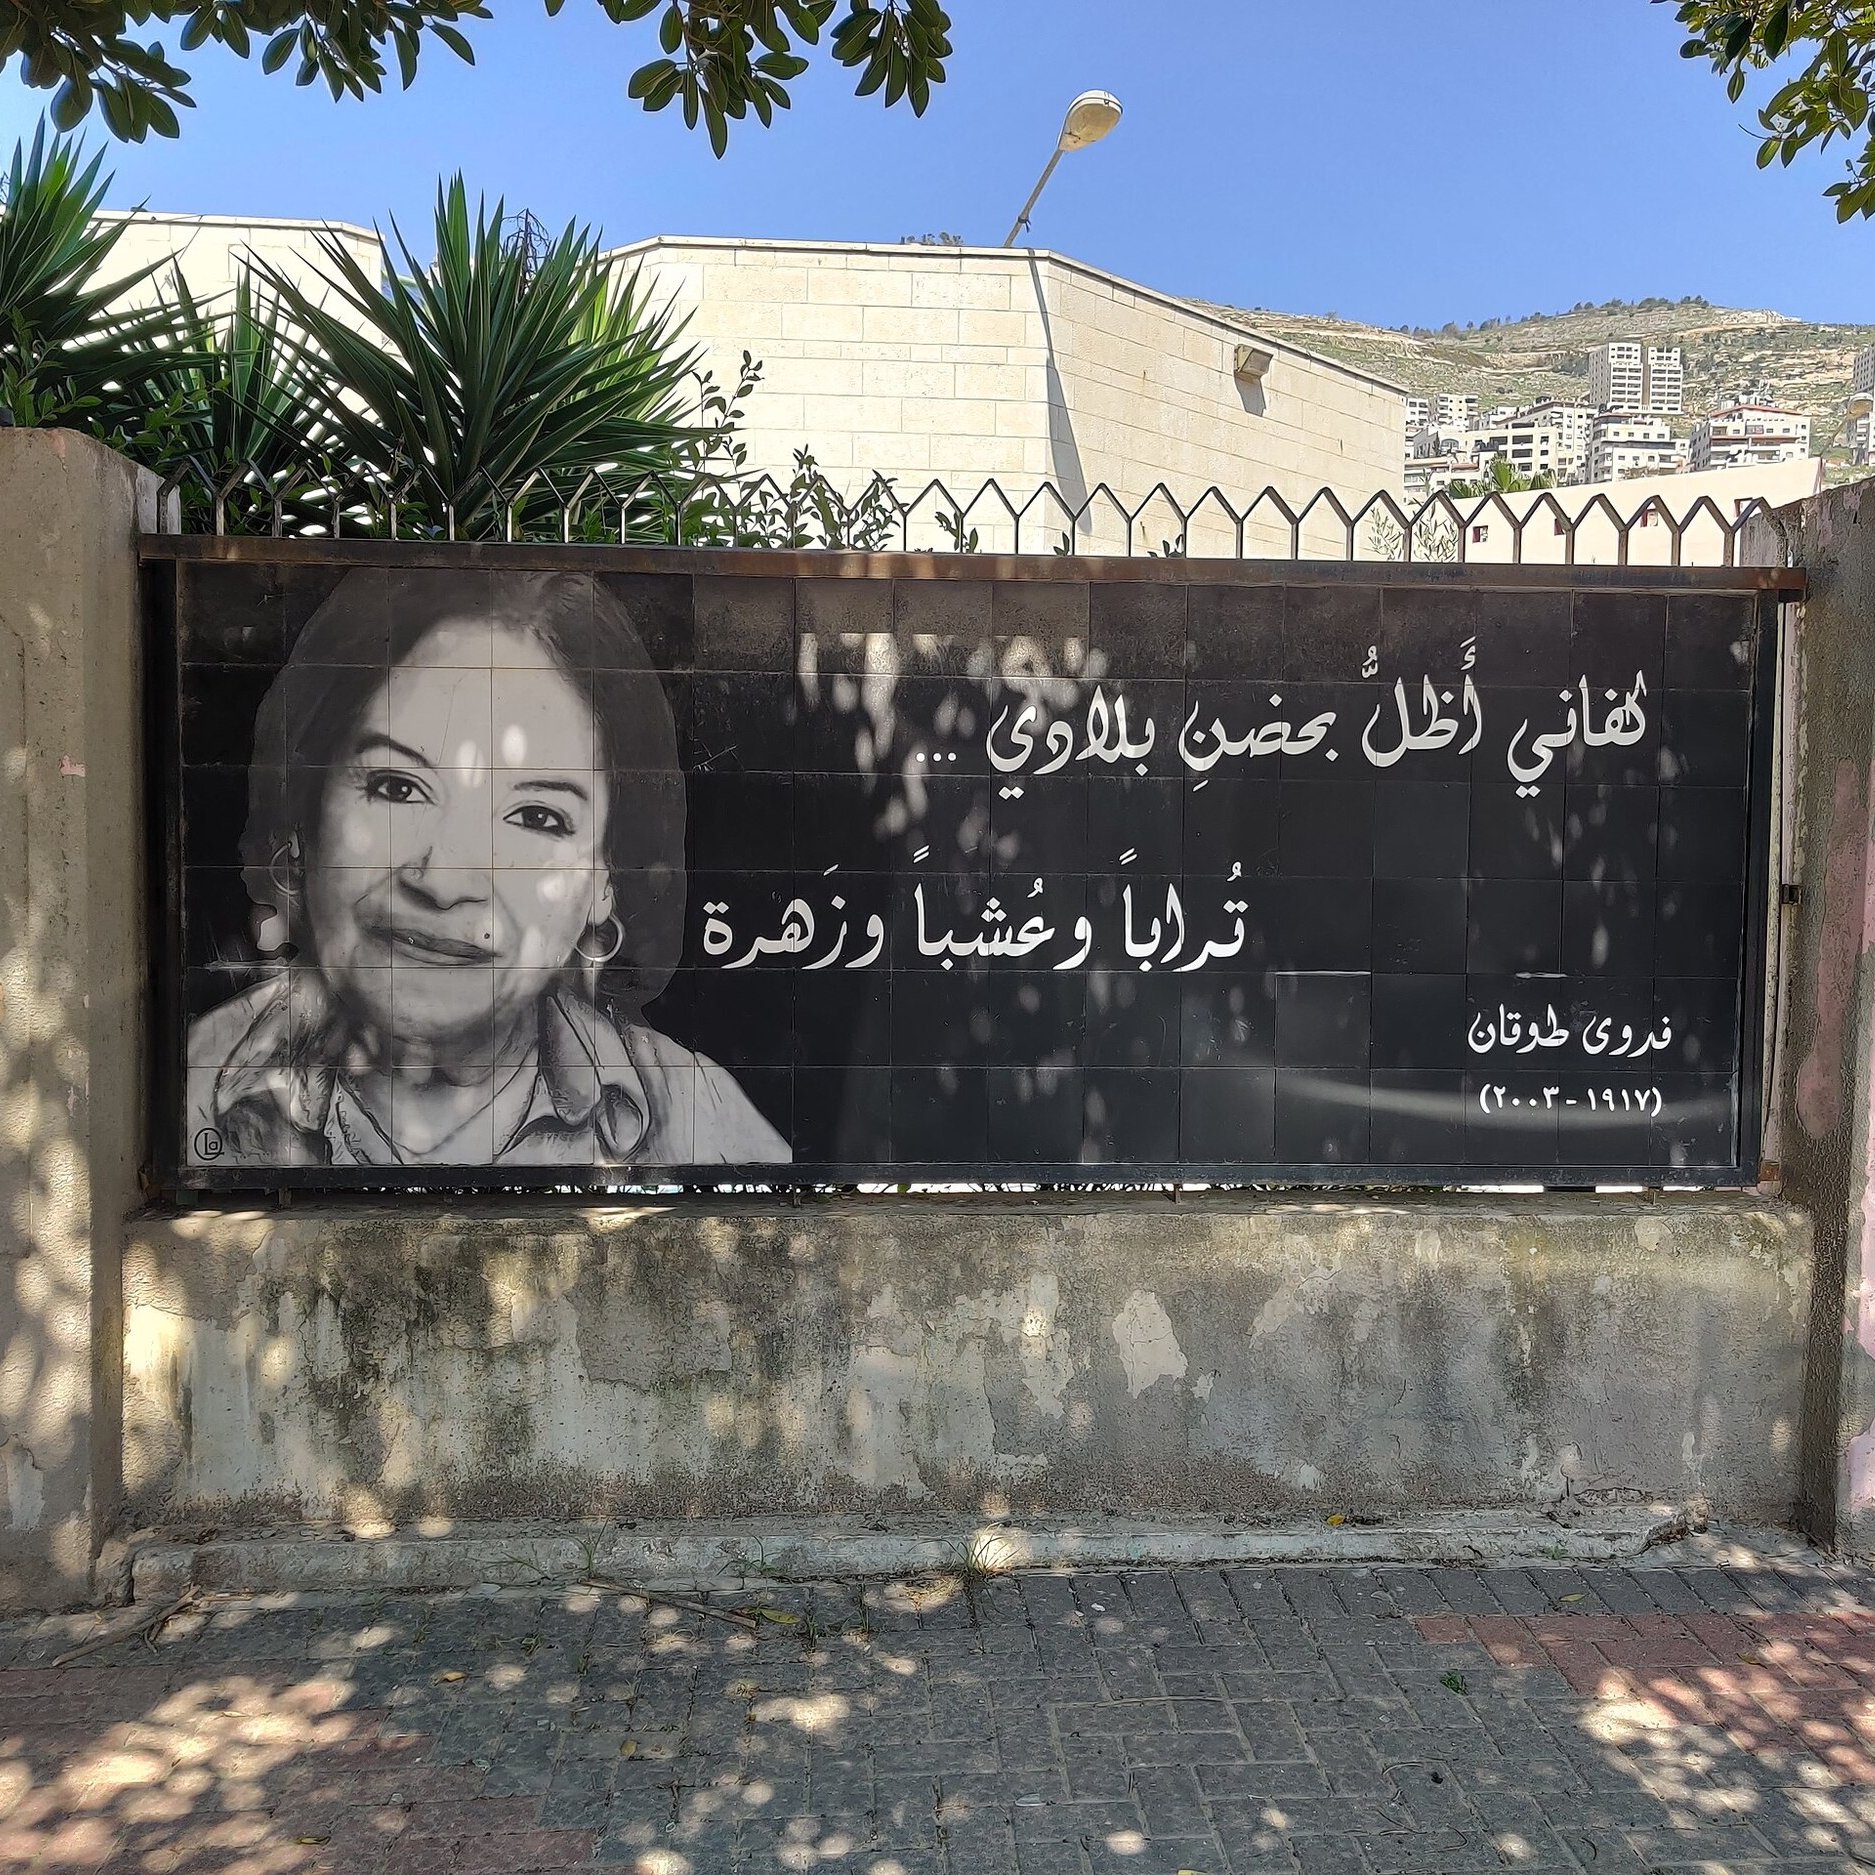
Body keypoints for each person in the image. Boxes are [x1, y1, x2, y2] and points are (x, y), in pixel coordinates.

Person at [185, 568, 789, 1170]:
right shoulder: (192, 1087)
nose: (442, 881)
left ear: (604, 879)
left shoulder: (701, 1120)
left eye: (536, 817)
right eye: (397, 786)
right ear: (306, 821)